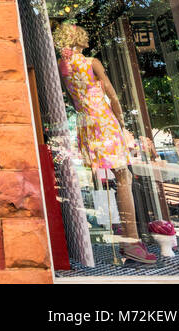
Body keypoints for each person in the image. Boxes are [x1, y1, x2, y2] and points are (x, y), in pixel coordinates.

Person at [52, 21, 156, 266]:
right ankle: (130, 239)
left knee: (103, 176)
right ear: (77, 39)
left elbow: (69, 97)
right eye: (84, 36)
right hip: (103, 120)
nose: (88, 39)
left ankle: (125, 234)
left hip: (85, 123)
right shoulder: (92, 63)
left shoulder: (61, 66)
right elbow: (112, 94)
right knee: (123, 177)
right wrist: (120, 121)